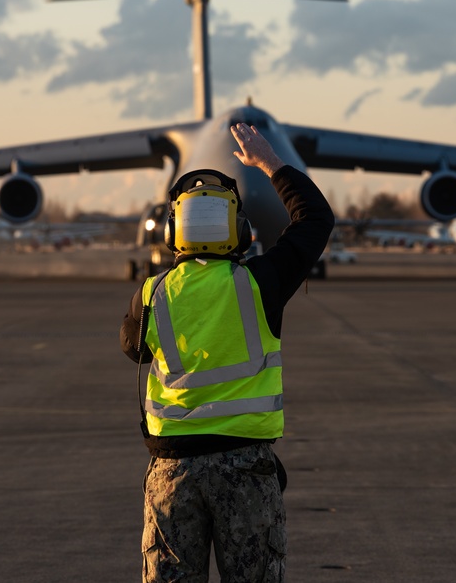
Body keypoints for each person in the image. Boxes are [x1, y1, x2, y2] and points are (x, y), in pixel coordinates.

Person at [119, 122, 335, 582]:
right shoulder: (261, 284)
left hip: (172, 472)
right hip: (245, 471)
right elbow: (315, 219)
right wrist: (270, 164)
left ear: (174, 230)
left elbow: (130, 347)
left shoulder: (152, 295)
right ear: (238, 231)